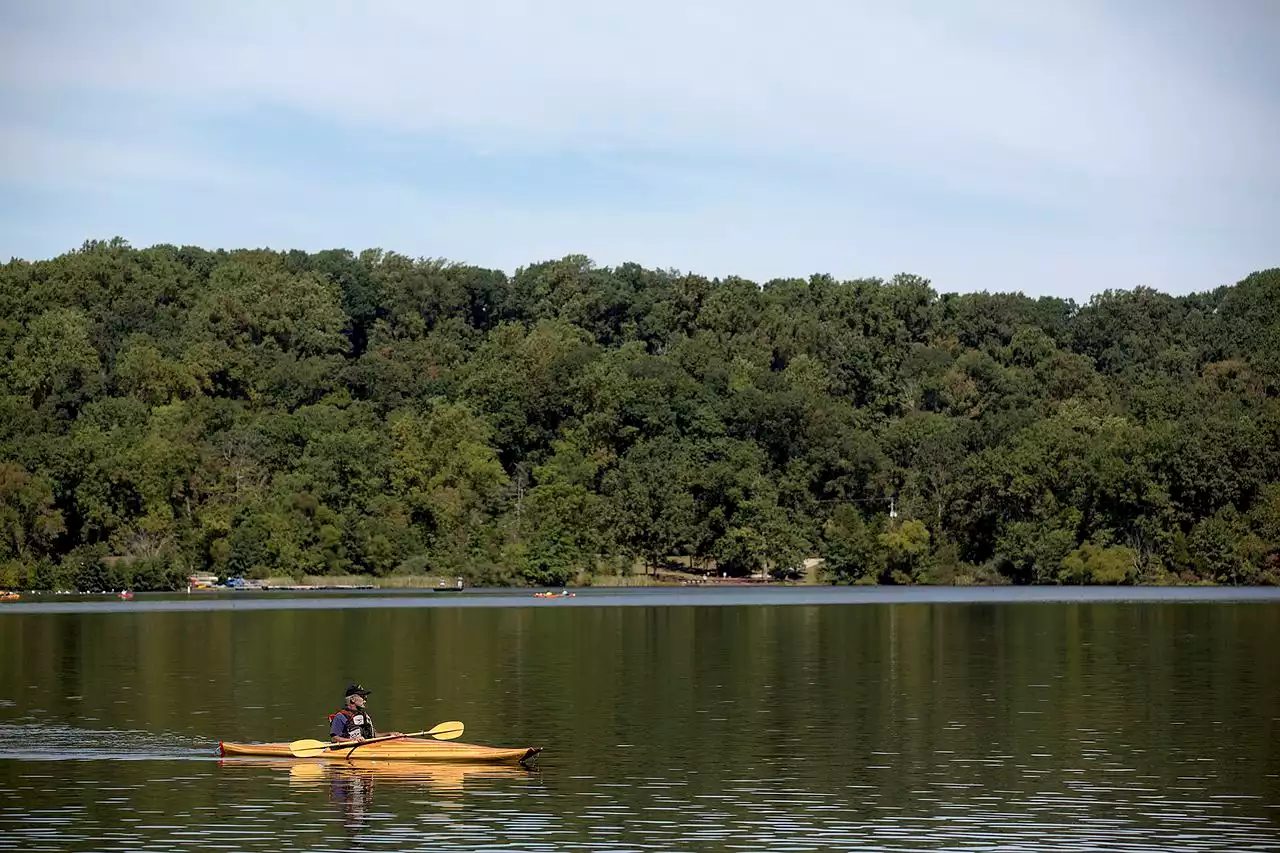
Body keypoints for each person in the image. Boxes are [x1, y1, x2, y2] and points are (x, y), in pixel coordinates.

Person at [328, 683, 403, 743]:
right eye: (362, 697)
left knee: (401, 739)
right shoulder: (340, 716)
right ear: (352, 699)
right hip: (350, 748)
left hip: (368, 746)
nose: (365, 700)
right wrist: (352, 740)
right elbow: (334, 738)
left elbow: (374, 735)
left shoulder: (364, 715)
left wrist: (389, 734)